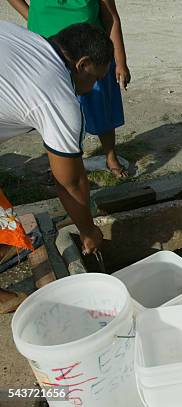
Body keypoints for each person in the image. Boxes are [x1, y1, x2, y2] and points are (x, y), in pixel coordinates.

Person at [0, 22, 109, 311]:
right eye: (95, 78)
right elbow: (69, 182)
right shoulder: (59, 95)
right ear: (82, 64)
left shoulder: (29, 41)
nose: (92, 88)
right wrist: (87, 231)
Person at [7, 0, 131, 178]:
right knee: (54, 114)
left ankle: (111, 157)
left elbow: (111, 17)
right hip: (48, 51)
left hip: (91, 54)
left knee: (102, 108)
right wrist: (31, 15)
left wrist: (120, 61)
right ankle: (62, 164)